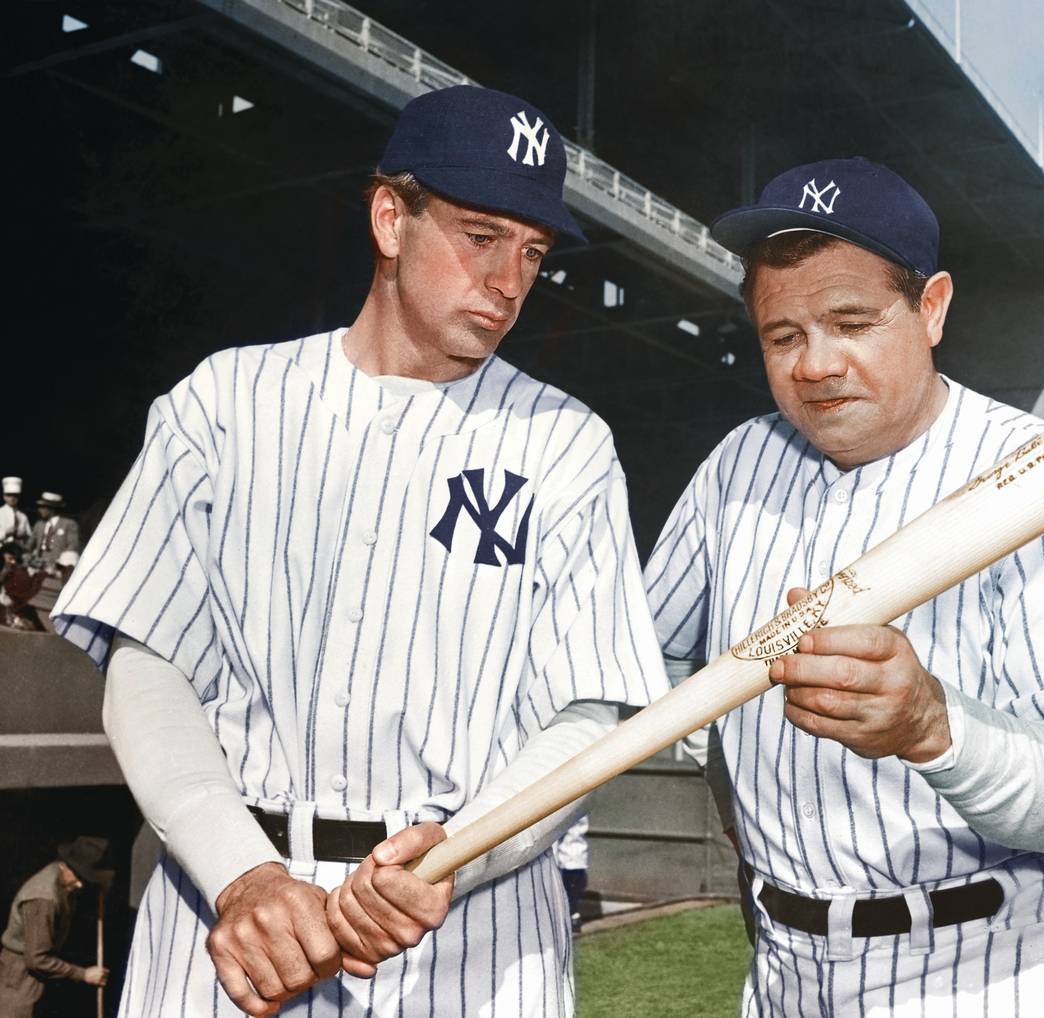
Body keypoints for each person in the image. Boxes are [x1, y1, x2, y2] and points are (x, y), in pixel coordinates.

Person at [52, 85, 668, 1017]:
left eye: (533, 252)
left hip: (468, 932)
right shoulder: (224, 404)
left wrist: (465, 852)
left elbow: (584, 718)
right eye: (480, 234)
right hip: (230, 918)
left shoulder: (564, 443)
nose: (509, 280)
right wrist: (241, 875)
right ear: (391, 215)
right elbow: (149, 670)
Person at [645, 158, 1044, 1016]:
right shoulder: (738, 465)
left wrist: (932, 724)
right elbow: (654, 669)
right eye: (784, 336)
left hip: (1004, 967)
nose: (816, 365)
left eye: (851, 322)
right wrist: (744, 795)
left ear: (932, 308)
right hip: (787, 968)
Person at [0, 836, 112, 1018]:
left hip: (40, 972)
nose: (80, 884)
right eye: (79, 876)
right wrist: (83, 974)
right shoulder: (42, 899)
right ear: (63, 865)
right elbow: (37, 960)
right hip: (20, 978)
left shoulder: (65, 880)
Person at [553, 816, 591, 932]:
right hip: (570, 854)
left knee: (569, 886)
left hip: (571, 854)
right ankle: (572, 916)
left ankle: (572, 917)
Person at [29, 492, 80, 575]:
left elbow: (73, 546)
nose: (39, 510)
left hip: (57, 567)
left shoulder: (68, 524)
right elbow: (29, 545)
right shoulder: (39, 525)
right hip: (37, 564)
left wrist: (57, 564)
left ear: (51, 509)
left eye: (42, 507)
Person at [0, 540, 44, 630]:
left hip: (7, 601)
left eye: (14, 559)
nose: (13, 562)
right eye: (10, 558)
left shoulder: (13, 567)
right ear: (4, 553)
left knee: (30, 612)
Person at [1, 476, 33, 548]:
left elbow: (30, 537)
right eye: (9, 495)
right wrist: (5, 533)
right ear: (4, 496)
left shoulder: (23, 516)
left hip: (18, 551)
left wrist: (24, 535)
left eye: (15, 496)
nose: (12, 498)